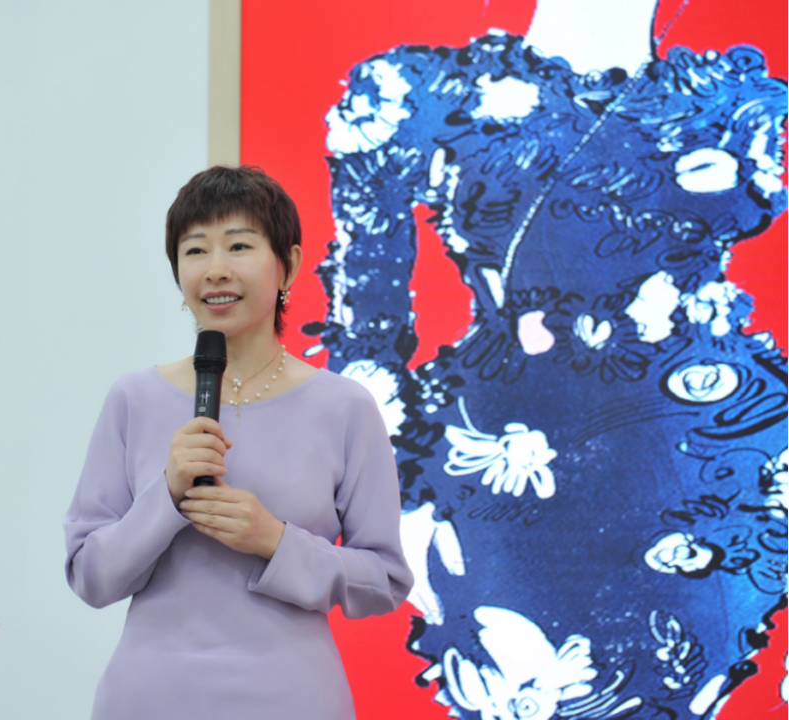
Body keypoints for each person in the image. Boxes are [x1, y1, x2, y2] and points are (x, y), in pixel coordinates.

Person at [315, 0, 789, 717]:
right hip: (506, 479)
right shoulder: (419, 95)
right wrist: (394, 500)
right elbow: (364, 337)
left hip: (717, 470)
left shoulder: (736, 104)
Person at [62, 165, 413, 719]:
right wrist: (167, 495)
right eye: (195, 250)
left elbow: (384, 581)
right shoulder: (133, 398)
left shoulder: (345, 407)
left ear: (287, 264)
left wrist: (276, 541)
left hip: (294, 700)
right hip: (149, 698)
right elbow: (90, 577)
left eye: (239, 245)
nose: (216, 270)